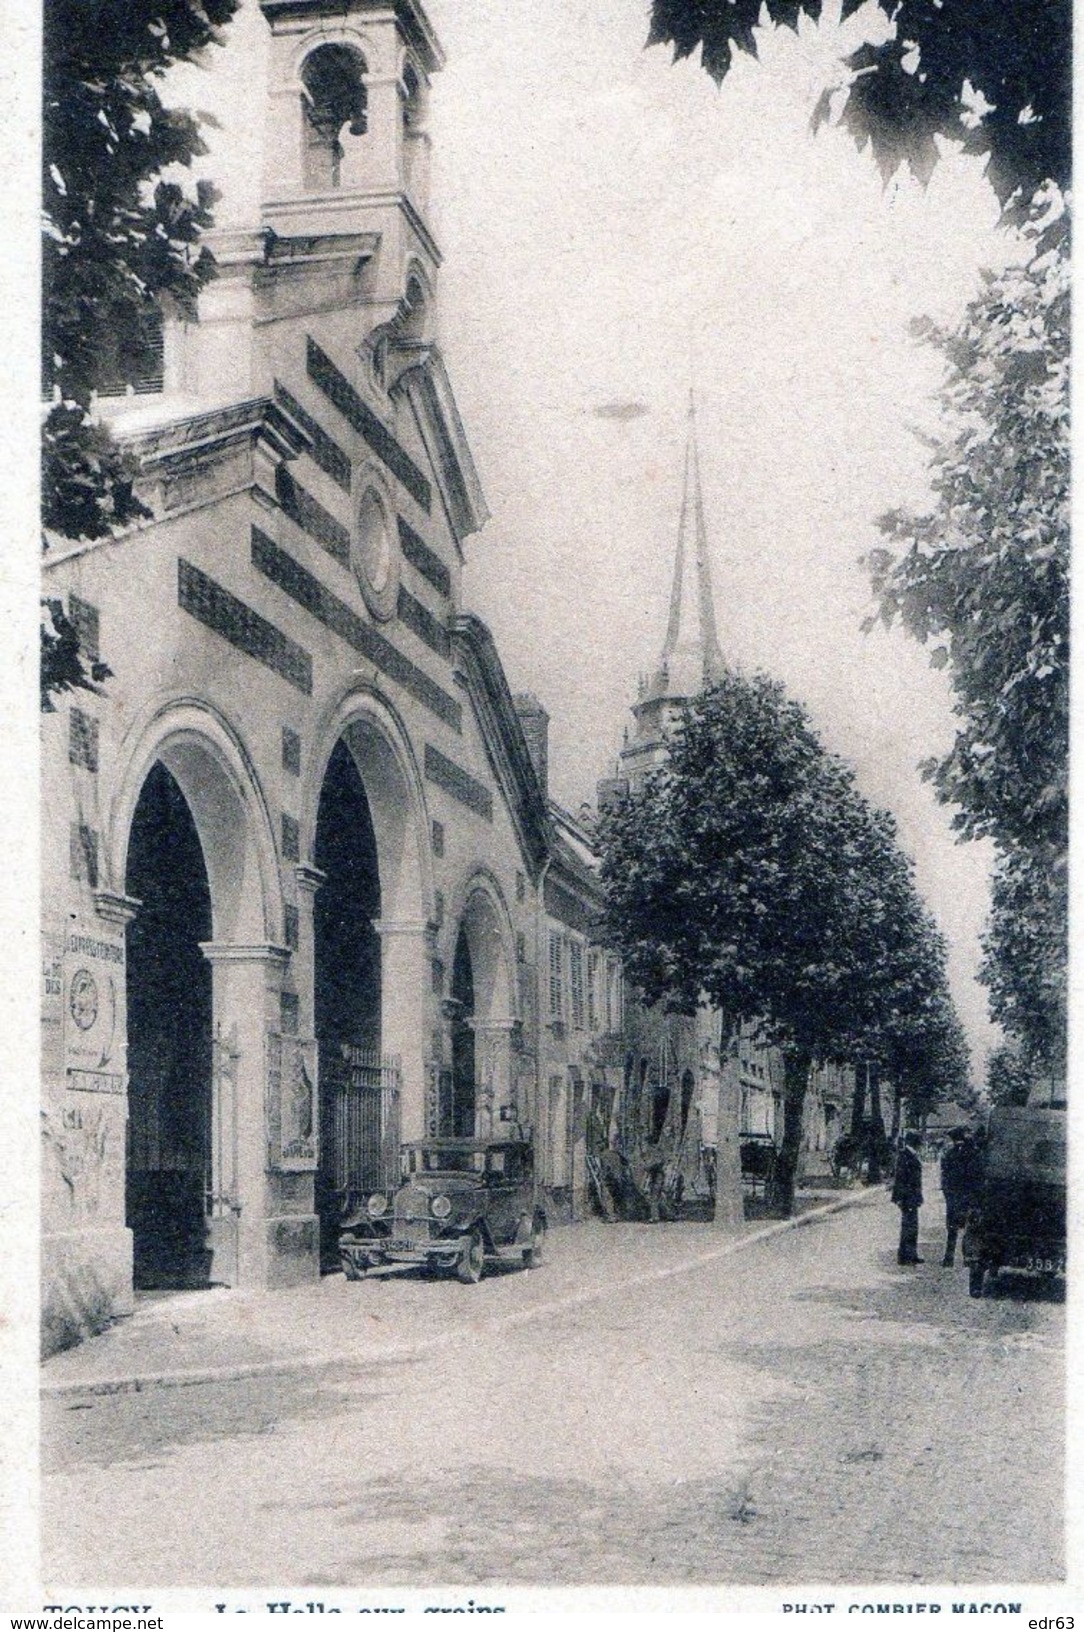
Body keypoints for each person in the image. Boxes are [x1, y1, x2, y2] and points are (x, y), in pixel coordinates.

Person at [939, 1127, 978, 1267]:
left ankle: (948, 1258)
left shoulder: (949, 1154)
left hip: (954, 1198)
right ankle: (967, 1258)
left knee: (952, 1229)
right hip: (968, 1197)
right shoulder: (973, 1153)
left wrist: (948, 1196)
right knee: (969, 1228)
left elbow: (945, 1178)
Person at [891, 1130, 924, 1264]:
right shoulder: (905, 1156)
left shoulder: (910, 1155)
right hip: (907, 1197)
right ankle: (905, 1257)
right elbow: (900, 1179)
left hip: (912, 1197)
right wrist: (900, 1198)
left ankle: (912, 1254)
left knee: (912, 1227)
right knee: (908, 1227)